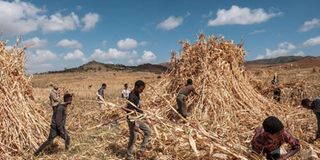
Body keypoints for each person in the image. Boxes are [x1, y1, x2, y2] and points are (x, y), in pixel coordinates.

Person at [125, 80, 151, 160]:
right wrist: (135, 123)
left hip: (138, 117)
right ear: (136, 87)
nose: (142, 91)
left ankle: (141, 150)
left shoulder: (137, 94)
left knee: (148, 131)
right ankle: (129, 156)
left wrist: (145, 115)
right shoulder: (132, 96)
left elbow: (137, 108)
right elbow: (129, 110)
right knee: (134, 137)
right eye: (141, 89)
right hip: (132, 119)